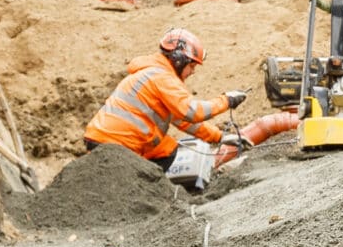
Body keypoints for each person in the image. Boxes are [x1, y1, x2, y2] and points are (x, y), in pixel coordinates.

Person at [85, 28, 288, 169]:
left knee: (169, 148)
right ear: (179, 60)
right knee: (165, 153)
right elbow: (192, 112)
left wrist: (221, 138)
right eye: (192, 66)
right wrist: (226, 100)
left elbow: (183, 121)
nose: (192, 72)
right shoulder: (161, 77)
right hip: (115, 145)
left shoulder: (156, 74)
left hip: (110, 140)